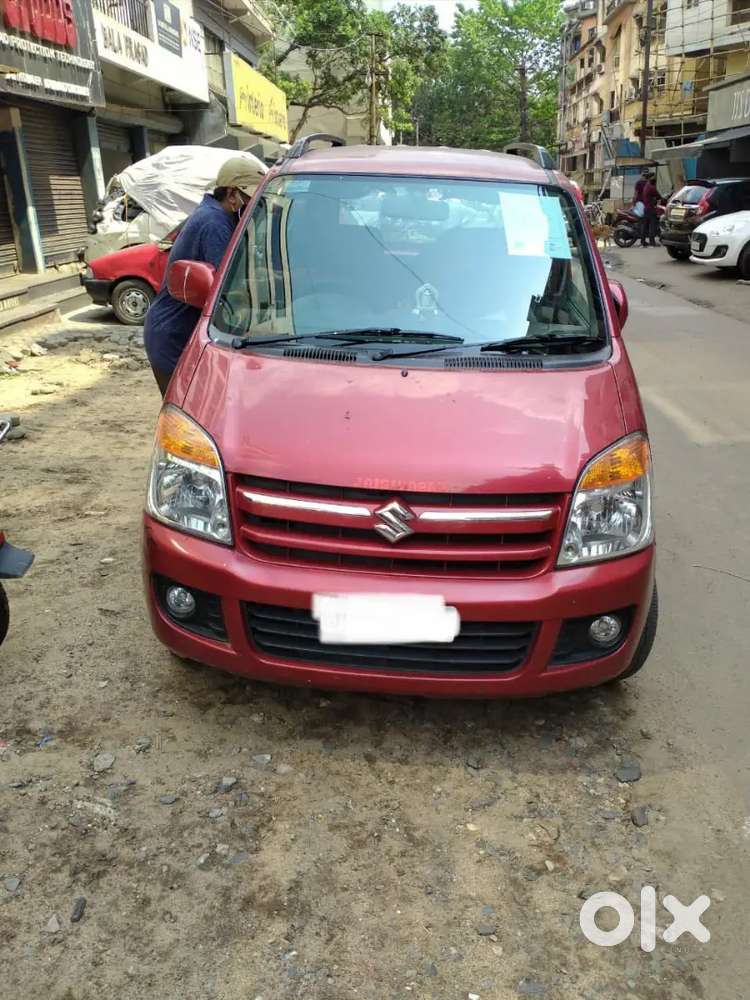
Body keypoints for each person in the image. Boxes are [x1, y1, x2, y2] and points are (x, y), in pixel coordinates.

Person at [143, 157, 265, 396]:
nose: (253, 207)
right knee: (189, 413)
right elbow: (226, 289)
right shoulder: (214, 223)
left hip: (183, 331)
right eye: (250, 199)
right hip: (174, 334)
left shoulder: (217, 216)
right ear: (232, 195)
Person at [641, 171, 662, 248]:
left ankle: (643, 242)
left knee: (645, 226)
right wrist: (658, 203)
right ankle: (652, 242)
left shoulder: (646, 185)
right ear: (651, 177)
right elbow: (659, 197)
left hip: (646, 208)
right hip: (651, 209)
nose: (655, 178)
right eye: (654, 177)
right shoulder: (651, 187)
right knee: (652, 226)